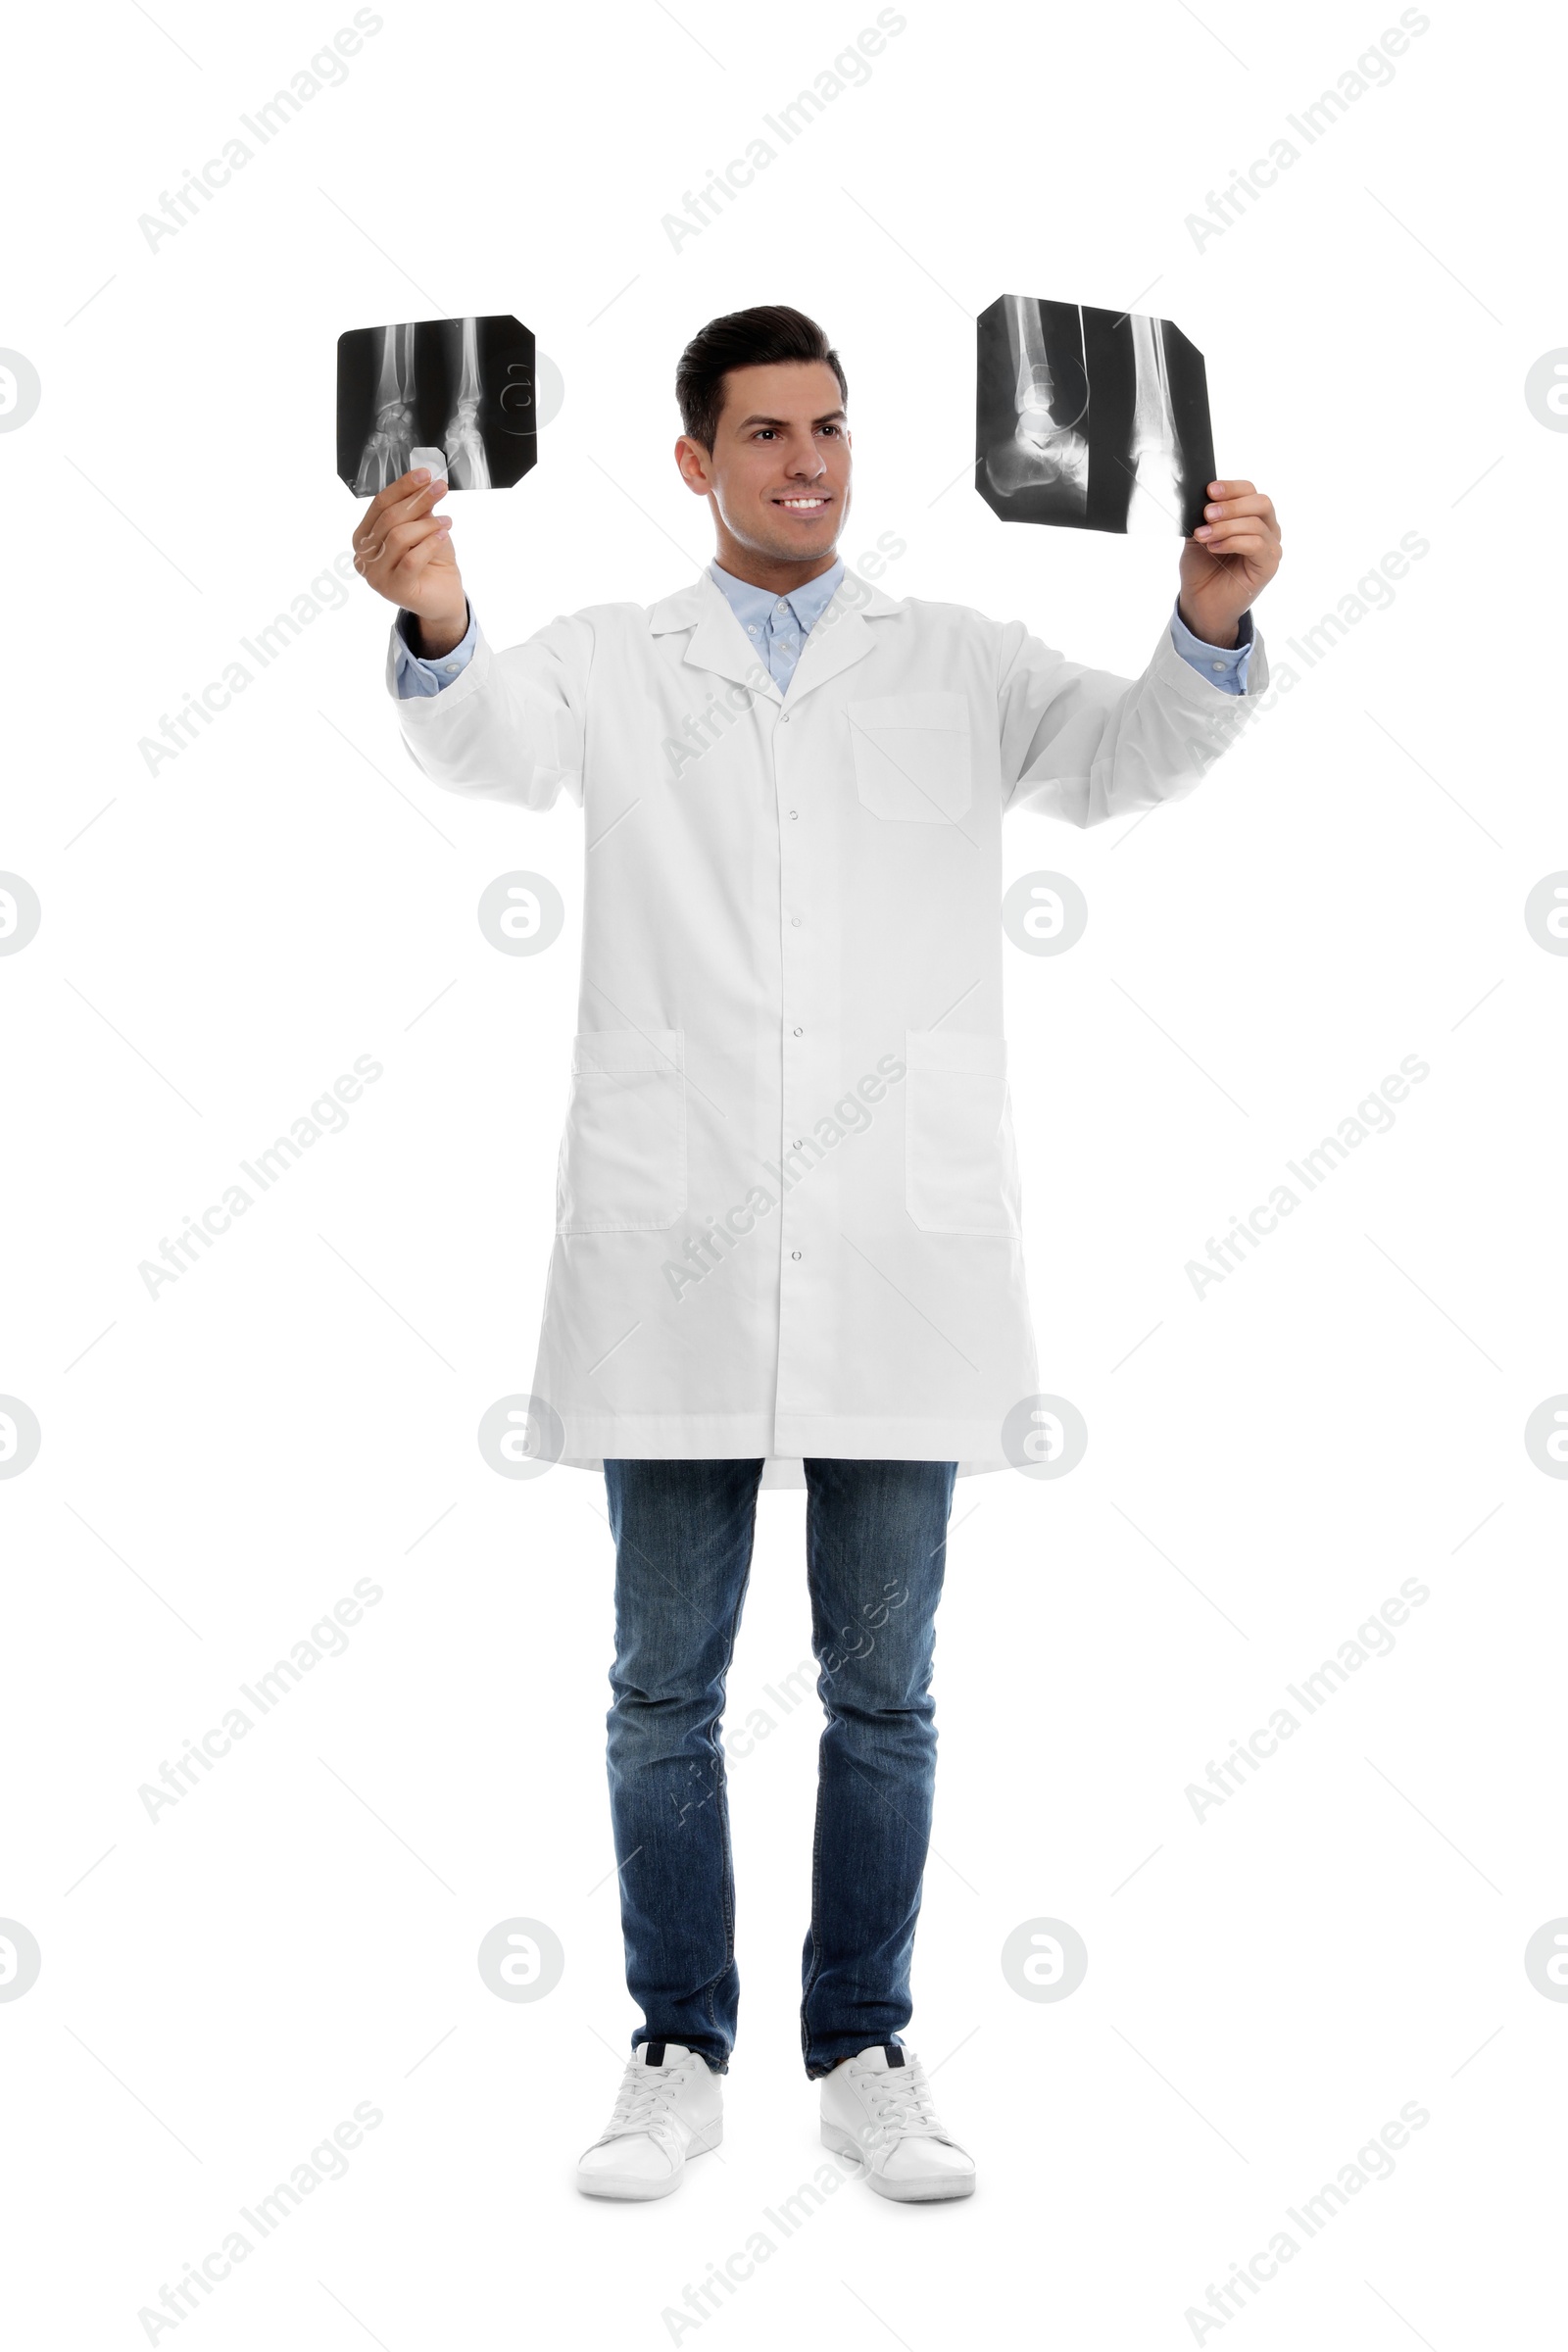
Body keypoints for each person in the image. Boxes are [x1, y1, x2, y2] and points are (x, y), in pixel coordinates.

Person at [351, 304, 1282, 2205]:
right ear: (692, 461)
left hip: (896, 1246)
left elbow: (1124, 764)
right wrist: (436, 607)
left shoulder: (947, 662)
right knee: (657, 1689)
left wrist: (1202, 622)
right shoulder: (619, 664)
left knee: (886, 1690)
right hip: (673, 1244)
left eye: (831, 428)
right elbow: (487, 743)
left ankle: (859, 2041)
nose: (808, 460)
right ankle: (676, 2046)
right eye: (765, 431)